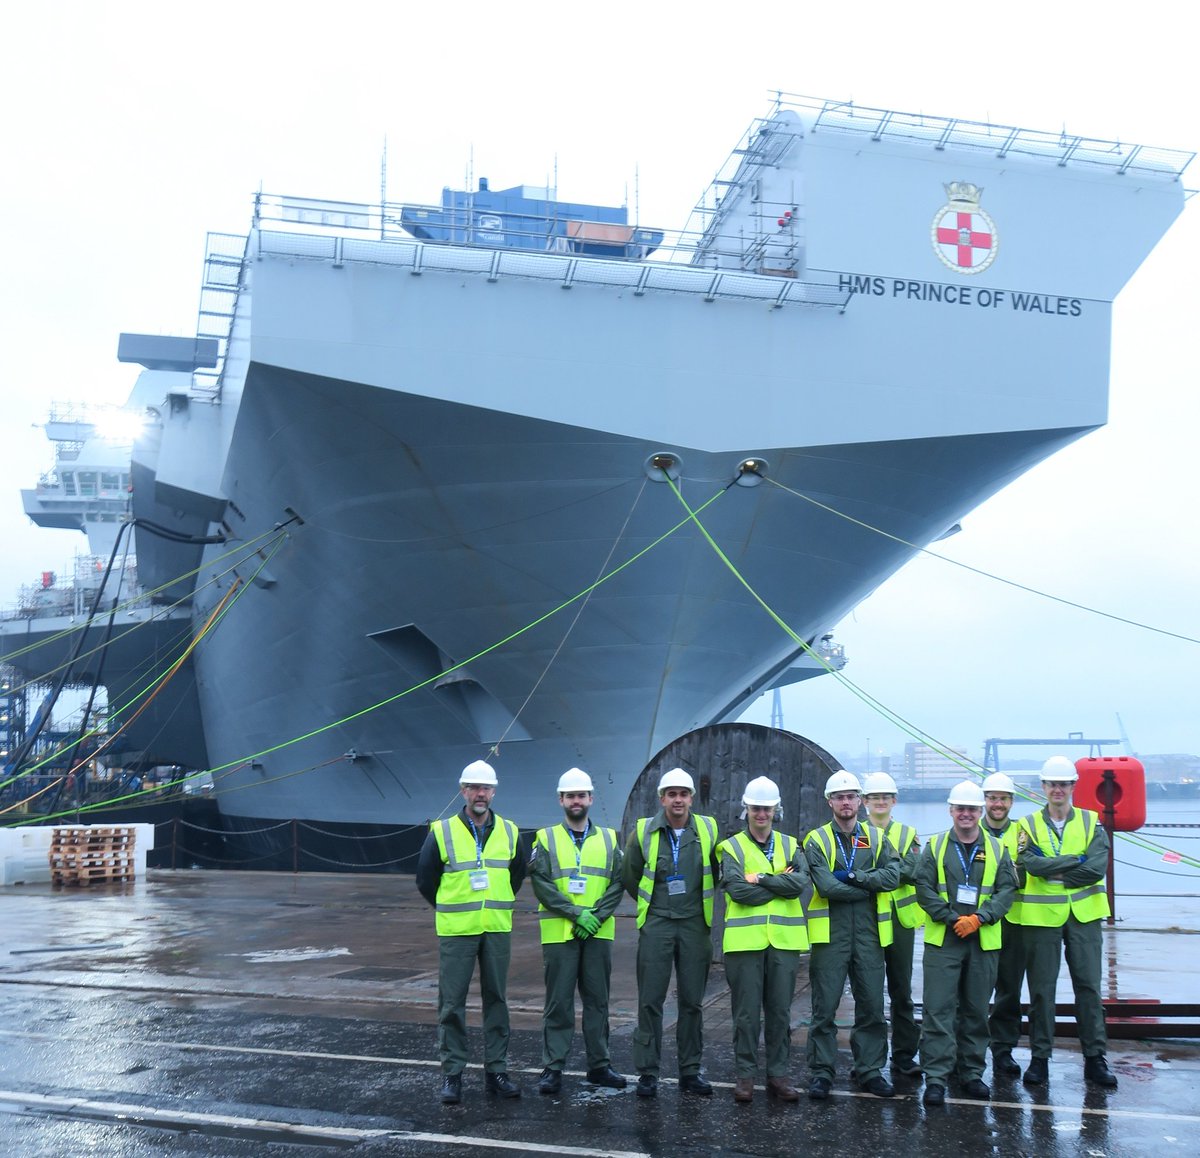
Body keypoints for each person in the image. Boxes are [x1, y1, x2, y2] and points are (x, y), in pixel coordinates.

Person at [416, 759, 525, 1104]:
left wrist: (494, 903)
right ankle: (452, 1075)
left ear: (494, 791)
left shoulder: (510, 831)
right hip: (457, 930)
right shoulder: (442, 831)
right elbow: (425, 879)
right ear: (463, 791)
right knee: (452, 1004)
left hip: (495, 928)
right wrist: (452, 907)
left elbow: (517, 875)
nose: (480, 794)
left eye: (486, 788)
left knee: (498, 1001)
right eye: (474, 787)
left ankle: (497, 1071)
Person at [1015, 755, 1118, 1089]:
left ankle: (1095, 1059)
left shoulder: (1091, 822)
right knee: (1042, 991)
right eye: (1051, 784)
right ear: (1043, 787)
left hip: (1084, 917)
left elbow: (1096, 868)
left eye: (1063, 784)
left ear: (1073, 786)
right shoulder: (1027, 825)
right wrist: (1076, 860)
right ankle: (1040, 1059)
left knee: (1088, 988)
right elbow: (1029, 864)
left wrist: (1056, 869)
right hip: (1041, 919)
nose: (1057, 789)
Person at [915, 781, 1017, 1106]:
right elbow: (923, 887)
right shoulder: (935, 847)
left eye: (971, 808)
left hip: (982, 940)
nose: (966, 814)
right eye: (960, 808)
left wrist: (980, 918)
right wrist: (951, 918)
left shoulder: (999, 850)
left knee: (975, 1010)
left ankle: (971, 1072)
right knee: (938, 1010)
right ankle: (936, 1077)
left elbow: (1006, 892)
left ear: (980, 811)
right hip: (944, 938)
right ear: (951, 810)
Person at [529, 767, 628, 1095]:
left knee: (598, 1001)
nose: (576, 800)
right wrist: (576, 914)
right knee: (558, 1002)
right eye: (570, 795)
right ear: (561, 800)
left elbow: (618, 882)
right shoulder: (545, 838)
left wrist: (595, 917)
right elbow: (541, 884)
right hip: (560, 932)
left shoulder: (610, 838)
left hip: (597, 933)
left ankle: (600, 1065)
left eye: (581, 795)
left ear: (591, 799)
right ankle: (553, 1066)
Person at [622, 767, 720, 1098]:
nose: (678, 800)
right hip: (658, 923)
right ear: (662, 798)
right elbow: (631, 876)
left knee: (692, 1001)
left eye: (684, 793)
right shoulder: (643, 832)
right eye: (672, 794)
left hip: (694, 924)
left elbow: (717, 872)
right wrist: (655, 908)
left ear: (692, 798)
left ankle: (690, 1070)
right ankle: (647, 1072)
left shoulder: (708, 829)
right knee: (651, 1000)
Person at [803, 769, 899, 1101]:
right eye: (840, 797)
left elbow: (893, 875)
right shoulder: (816, 839)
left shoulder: (876, 837)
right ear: (830, 801)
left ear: (860, 800)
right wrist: (867, 886)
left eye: (851, 796)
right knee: (824, 1007)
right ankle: (822, 1072)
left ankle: (869, 1070)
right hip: (830, 934)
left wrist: (856, 875)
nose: (846, 802)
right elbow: (826, 886)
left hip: (869, 935)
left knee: (872, 1005)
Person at [716, 776, 810, 1103]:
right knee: (745, 1013)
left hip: (783, 942)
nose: (761, 814)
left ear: (775, 810)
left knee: (779, 1011)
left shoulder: (790, 844)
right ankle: (745, 1076)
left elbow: (799, 884)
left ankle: (778, 1075)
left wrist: (761, 880)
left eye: (767, 808)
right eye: (756, 808)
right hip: (744, 944)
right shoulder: (730, 848)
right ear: (747, 809)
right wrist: (776, 886)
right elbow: (737, 891)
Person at [861, 771, 924, 1077]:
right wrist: (892, 868)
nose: (880, 802)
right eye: (874, 798)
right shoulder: (857, 834)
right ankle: (869, 1059)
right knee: (869, 993)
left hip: (900, 921)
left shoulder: (907, 833)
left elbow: (915, 871)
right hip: (868, 920)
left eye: (885, 797)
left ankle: (903, 1055)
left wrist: (879, 872)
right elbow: (854, 869)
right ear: (865, 802)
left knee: (901, 990)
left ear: (894, 801)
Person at [981, 771, 1027, 1078]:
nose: (998, 804)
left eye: (1004, 798)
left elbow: (1024, 875)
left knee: (1009, 990)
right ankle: (968, 1051)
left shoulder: (1023, 833)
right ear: (984, 801)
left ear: (1011, 801)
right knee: (974, 991)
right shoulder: (969, 827)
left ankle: (1003, 1049)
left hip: (1013, 921)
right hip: (979, 920)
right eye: (993, 798)